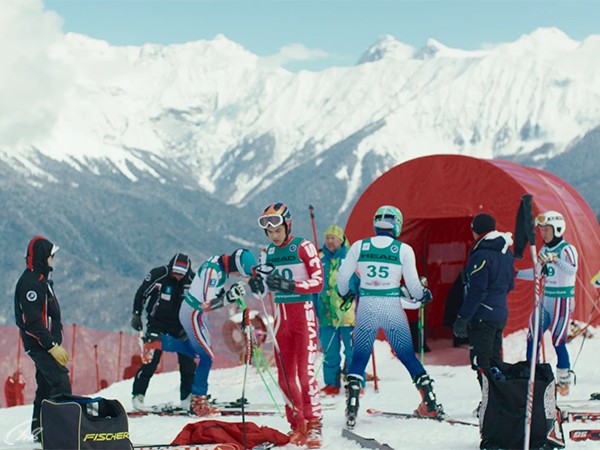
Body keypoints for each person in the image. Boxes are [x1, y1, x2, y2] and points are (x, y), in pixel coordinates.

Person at [336, 205, 441, 429]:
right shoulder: (403, 249)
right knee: (406, 355)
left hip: (367, 305)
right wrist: (423, 295)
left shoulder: (359, 246)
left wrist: (345, 293)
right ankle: (429, 401)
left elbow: (342, 278)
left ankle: (352, 405)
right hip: (391, 305)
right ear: (397, 225)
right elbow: (413, 286)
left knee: (359, 357)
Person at [248, 202, 324, 449]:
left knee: (305, 375)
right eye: (270, 232)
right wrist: (258, 286)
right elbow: (264, 287)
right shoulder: (267, 252)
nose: (274, 236)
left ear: (287, 226)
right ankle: (297, 424)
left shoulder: (303, 246)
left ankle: (314, 424)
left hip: (303, 315)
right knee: (285, 377)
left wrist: (291, 286)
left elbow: (318, 282)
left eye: (278, 230)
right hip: (281, 320)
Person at [178, 248, 256, 416]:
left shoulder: (220, 264)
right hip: (193, 313)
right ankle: (198, 402)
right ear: (235, 266)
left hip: (198, 314)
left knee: (204, 353)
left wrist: (230, 294)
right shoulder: (213, 272)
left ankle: (196, 395)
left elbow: (215, 292)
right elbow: (205, 304)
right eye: (239, 273)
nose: (237, 276)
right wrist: (228, 298)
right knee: (206, 356)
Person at [14, 236, 71, 441]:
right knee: (60, 383)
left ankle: (40, 431)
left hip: (45, 344)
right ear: (42, 256)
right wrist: (51, 346)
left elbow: (49, 314)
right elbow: (31, 322)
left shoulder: (41, 279)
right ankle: (61, 433)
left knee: (46, 386)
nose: (52, 259)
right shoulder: (31, 283)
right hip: (40, 345)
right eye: (50, 256)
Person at [516, 210, 578, 396]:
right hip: (546, 299)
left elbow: (572, 270)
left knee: (557, 340)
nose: (543, 233)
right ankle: (532, 376)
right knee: (532, 336)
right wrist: (516, 274)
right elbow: (538, 273)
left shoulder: (567, 249)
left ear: (557, 229)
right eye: (541, 229)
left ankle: (563, 381)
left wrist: (555, 259)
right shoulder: (543, 250)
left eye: (547, 229)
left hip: (562, 300)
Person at [453, 213, 515, 388]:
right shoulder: (506, 252)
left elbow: (477, 291)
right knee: (495, 361)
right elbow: (510, 284)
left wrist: (463, 317)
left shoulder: (481, 254)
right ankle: (499, 399)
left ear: (476, 231)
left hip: (482, 316)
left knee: (482, 362)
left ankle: (489, 400)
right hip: (500, 313)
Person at [130, 253, 196, 410]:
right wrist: (136, 314)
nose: (178, 276)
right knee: (151, 360)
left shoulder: (192, 281)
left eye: (181, 274)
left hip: (180, 326)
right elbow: (141, 293)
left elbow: (200, 304)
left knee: (188, 362)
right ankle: (138, 395)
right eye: (176, 273)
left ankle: (187, 397)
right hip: (157, 324)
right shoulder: (159, 275)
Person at [314, 224, 359, 397]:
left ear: (341, 240)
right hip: (326, 313)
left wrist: (355, 292)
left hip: (347, 314)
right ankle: (332, 384)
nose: (330, 241)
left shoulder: (350, 259)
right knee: (330, 351)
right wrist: (314, 308)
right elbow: (314, 287)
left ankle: (355, 382)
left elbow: (360, 283)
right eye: (328, 238)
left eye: (333, 238)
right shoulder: (320, 261)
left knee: (352, 350)